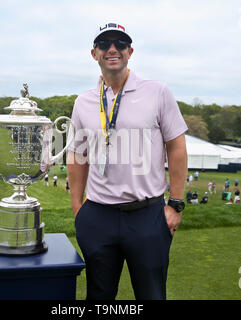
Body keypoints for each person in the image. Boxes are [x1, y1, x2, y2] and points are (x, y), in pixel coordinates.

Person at [67, 22, 188, 300]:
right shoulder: (83, 101)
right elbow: (77, 155)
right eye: (104, 44)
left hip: (147, 215)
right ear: (94, 53)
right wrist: (78, 207)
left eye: (120, 44)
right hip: (98, 215)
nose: (112, 49)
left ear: (130, 51)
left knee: (151, 295)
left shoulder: (157, 91)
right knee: (98, 296)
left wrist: (176, 205)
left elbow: (177, 147)